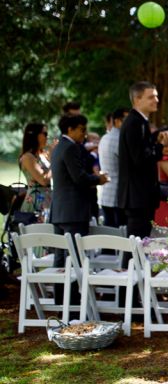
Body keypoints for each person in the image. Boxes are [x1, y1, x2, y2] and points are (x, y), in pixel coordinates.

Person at [50, 114, 108, 303]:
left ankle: (61, 298)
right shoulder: (70, 148)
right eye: (82, 129)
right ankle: (72, 300)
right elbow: (79, 178)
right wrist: (98, 179)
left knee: (60, 257)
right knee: (74, 256)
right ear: (70, 129)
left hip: (59, 209)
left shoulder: (58, 147)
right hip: (73, 210)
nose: (84, 134)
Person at [118, 82, 168, 241]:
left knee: (140, 245)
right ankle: (129, 268)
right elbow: (140, 159)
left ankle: (132, 267)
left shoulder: (140, 122)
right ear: (137, 100)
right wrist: (159, 146)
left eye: (156, 96)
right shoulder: (135, 123)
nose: (156, 100)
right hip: (137, 196)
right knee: (135, 246)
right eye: (151, 97)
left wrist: (158, 143)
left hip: (141, 196)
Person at [99, 108, 129, 228]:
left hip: (106, 193)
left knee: (109, 235)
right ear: (117, 121)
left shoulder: (105, 137)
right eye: (126, 120)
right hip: (118, 195)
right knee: (118, 236)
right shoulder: (120, 139)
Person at [18, 123, 52, 222]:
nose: (47, 137)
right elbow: (44, 180)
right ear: (35, 135)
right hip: (36, 202)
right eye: (45, 134)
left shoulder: (43, 155)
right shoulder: (28, 157)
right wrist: (54, 159)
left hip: (48, 200)